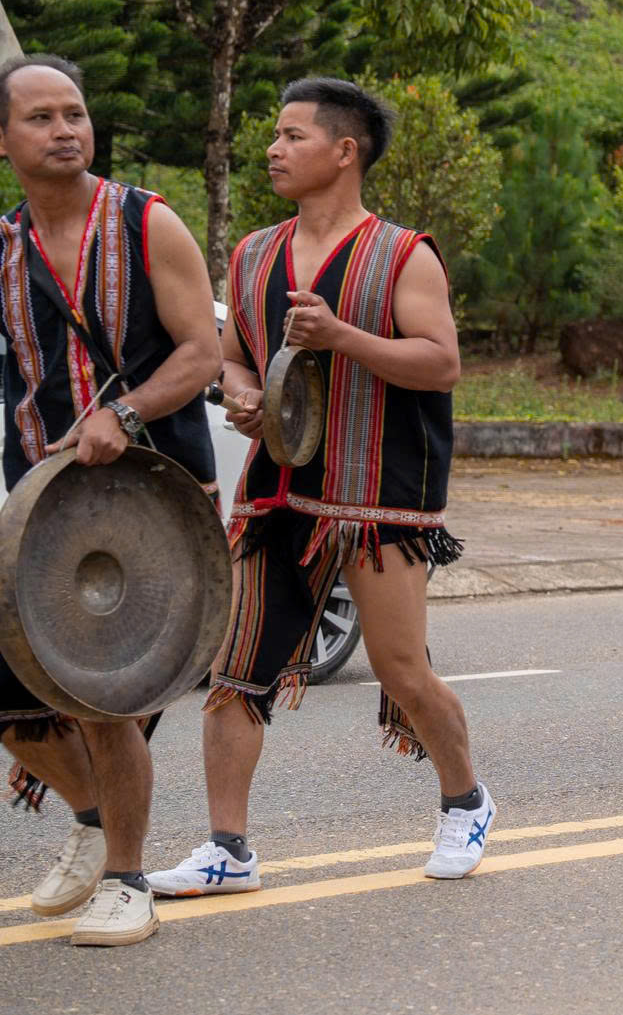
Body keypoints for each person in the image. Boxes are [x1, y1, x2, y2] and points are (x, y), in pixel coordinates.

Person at [153, 79, 490, 898]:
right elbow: (236, 351)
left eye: (292, 135)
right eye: (274, 134)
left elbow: (442, 361)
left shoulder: (403, 253)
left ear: (345, 151)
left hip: (380, 495)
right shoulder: (255, 253)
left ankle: (466, 798)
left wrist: (342, 335)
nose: (274, 148)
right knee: (235, 670)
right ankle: (227, 846)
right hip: (279, 491)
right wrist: (238, 390)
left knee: (400, 668)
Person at [0, 56, 221, 947]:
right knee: (15, 701)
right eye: (42, 117)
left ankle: (128, 880)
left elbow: (201, 354)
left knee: (105, 703)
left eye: (76, 114)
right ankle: (93, 827)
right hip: (46, 509)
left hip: (150, 505)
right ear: (4, 139)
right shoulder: (4, 246)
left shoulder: (146, 222)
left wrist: (122, 413)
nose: (65, 130)